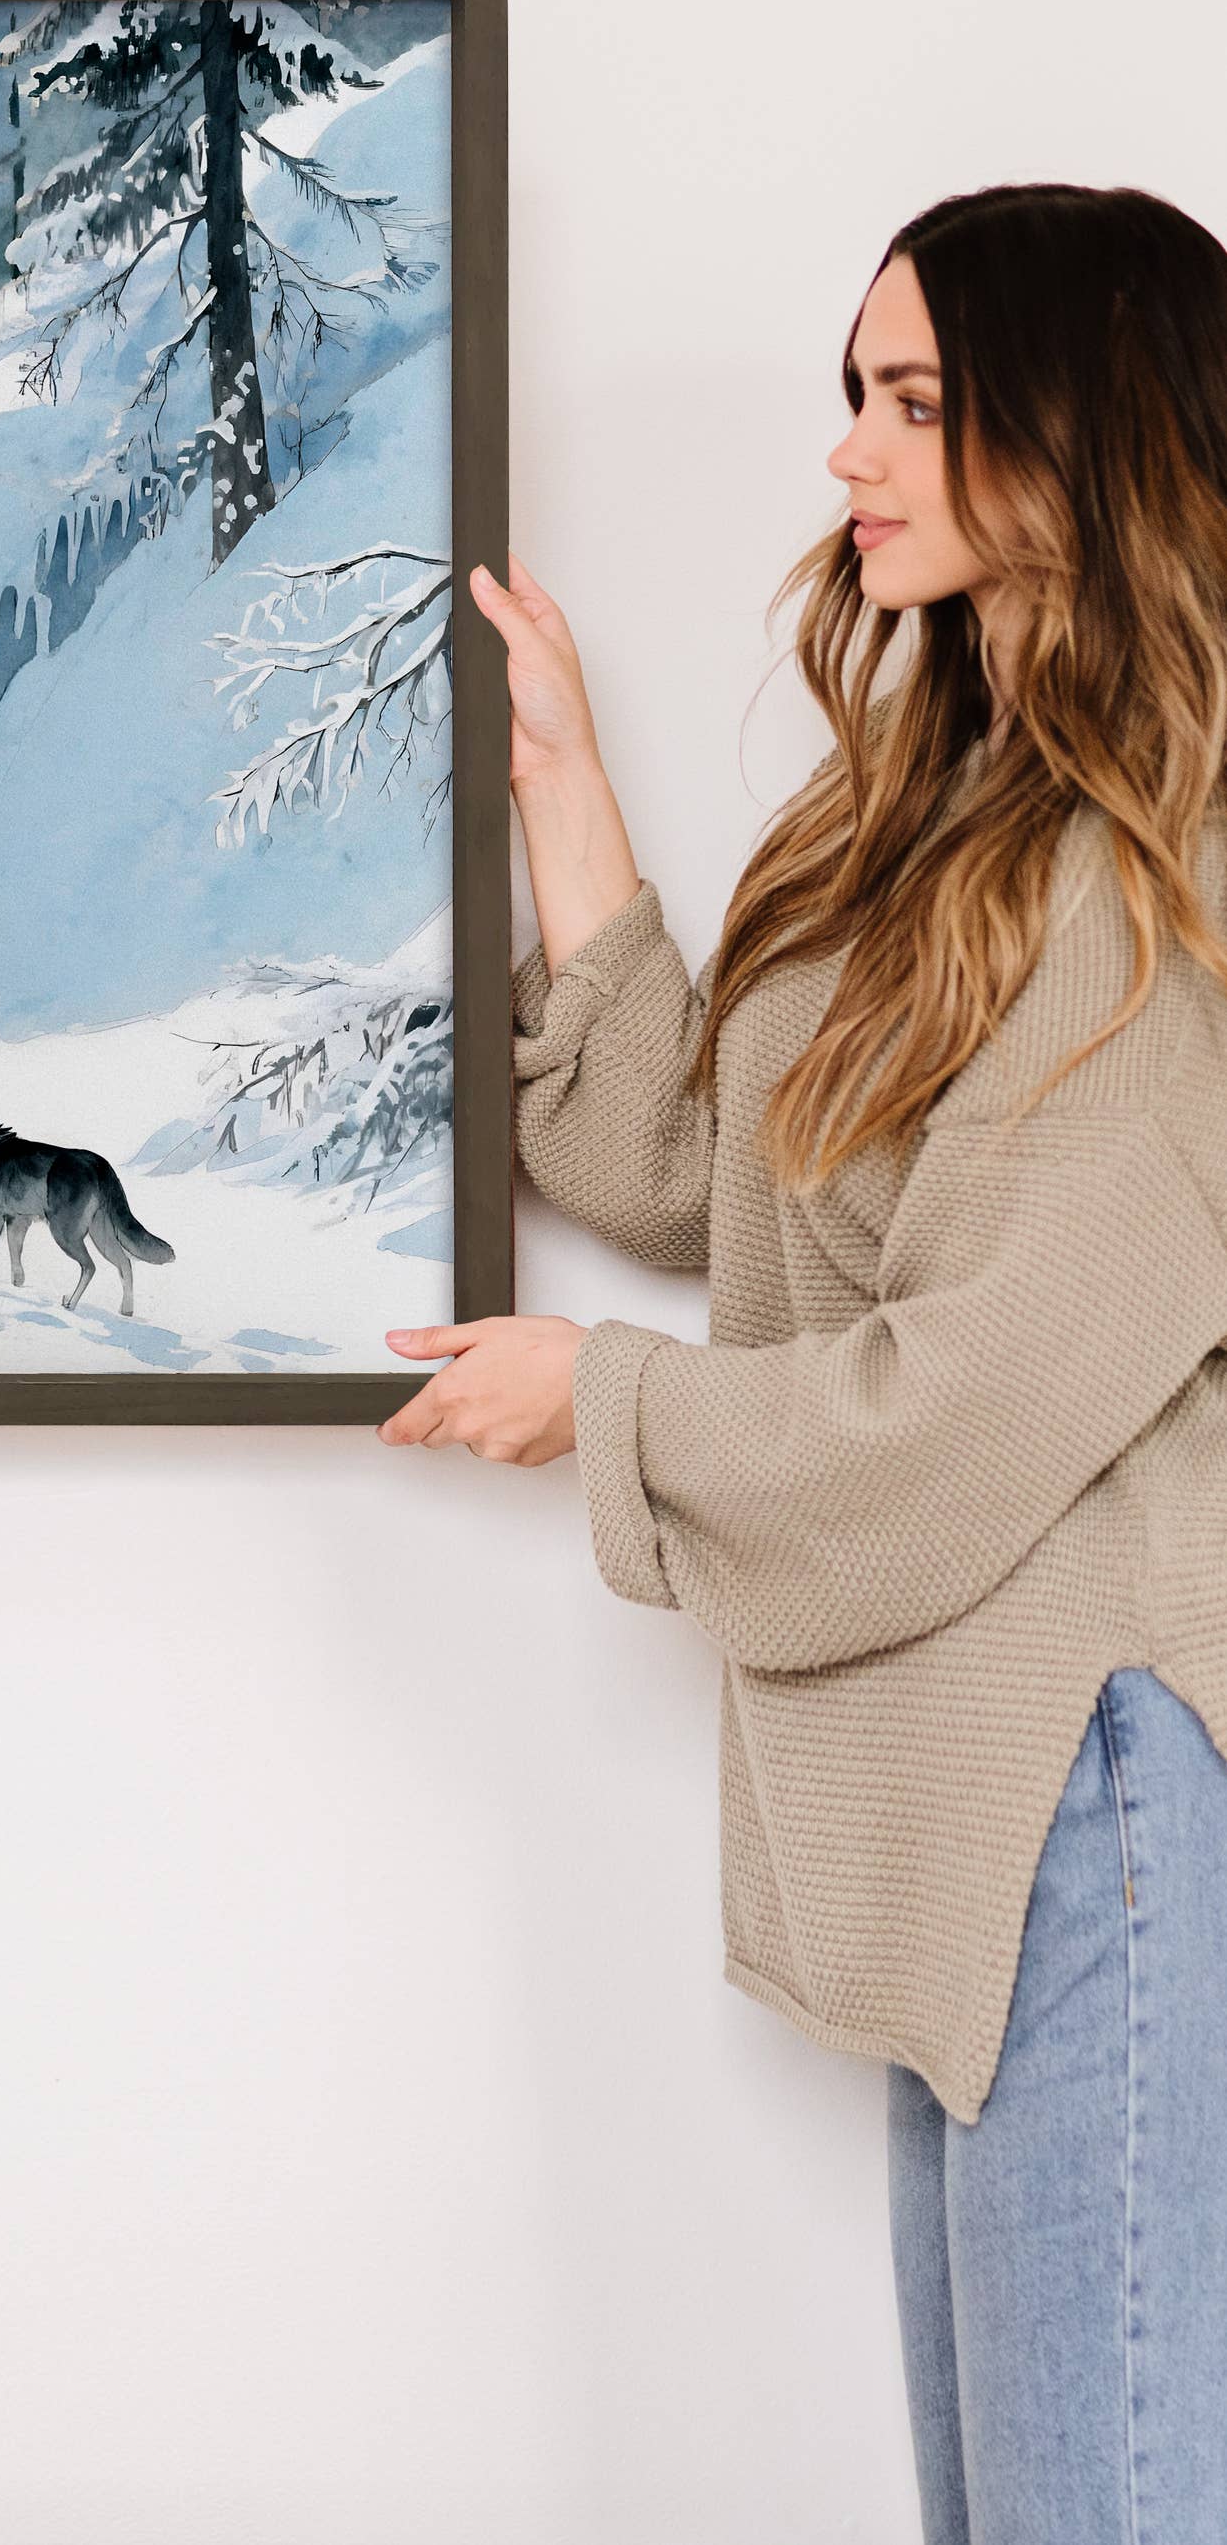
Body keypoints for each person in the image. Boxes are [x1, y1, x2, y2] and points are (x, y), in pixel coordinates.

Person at [380, 185, 1227, 2540]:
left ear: (1084, 434)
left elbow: (972, 1401)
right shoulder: (934, 817)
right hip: (985, 1813)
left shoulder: (1162, 885)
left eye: (919, 403)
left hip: (1094, 1803)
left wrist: (604, 1405)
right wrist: (559, 781)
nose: (853, 452)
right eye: (856, 395)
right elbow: (709, 1169)